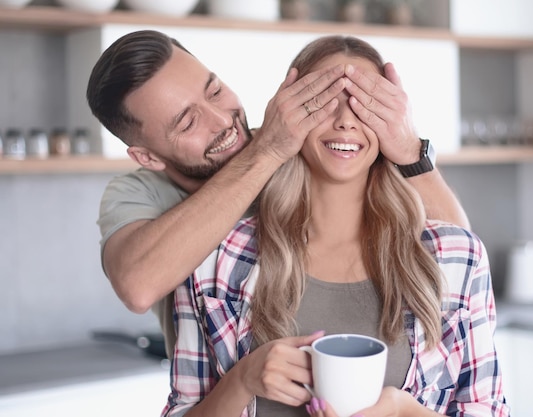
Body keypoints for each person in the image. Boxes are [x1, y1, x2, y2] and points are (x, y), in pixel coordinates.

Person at [163, 35, 509, 417]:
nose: (345, 121)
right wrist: (243, 379)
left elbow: (488, 409)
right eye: (323, 102)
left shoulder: (458, 257)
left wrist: (402, 411)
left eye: (365, 106)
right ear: (289, 115)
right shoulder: (216, 258)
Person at [87, 30, 470, 358]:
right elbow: (138, 285)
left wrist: (410, 153)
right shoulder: (139, 193)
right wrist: (266, 151)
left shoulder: (305, 145)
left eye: (215, 91)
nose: (223, 121)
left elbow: (459, 264)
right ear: (147, 156)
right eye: (188, 122)